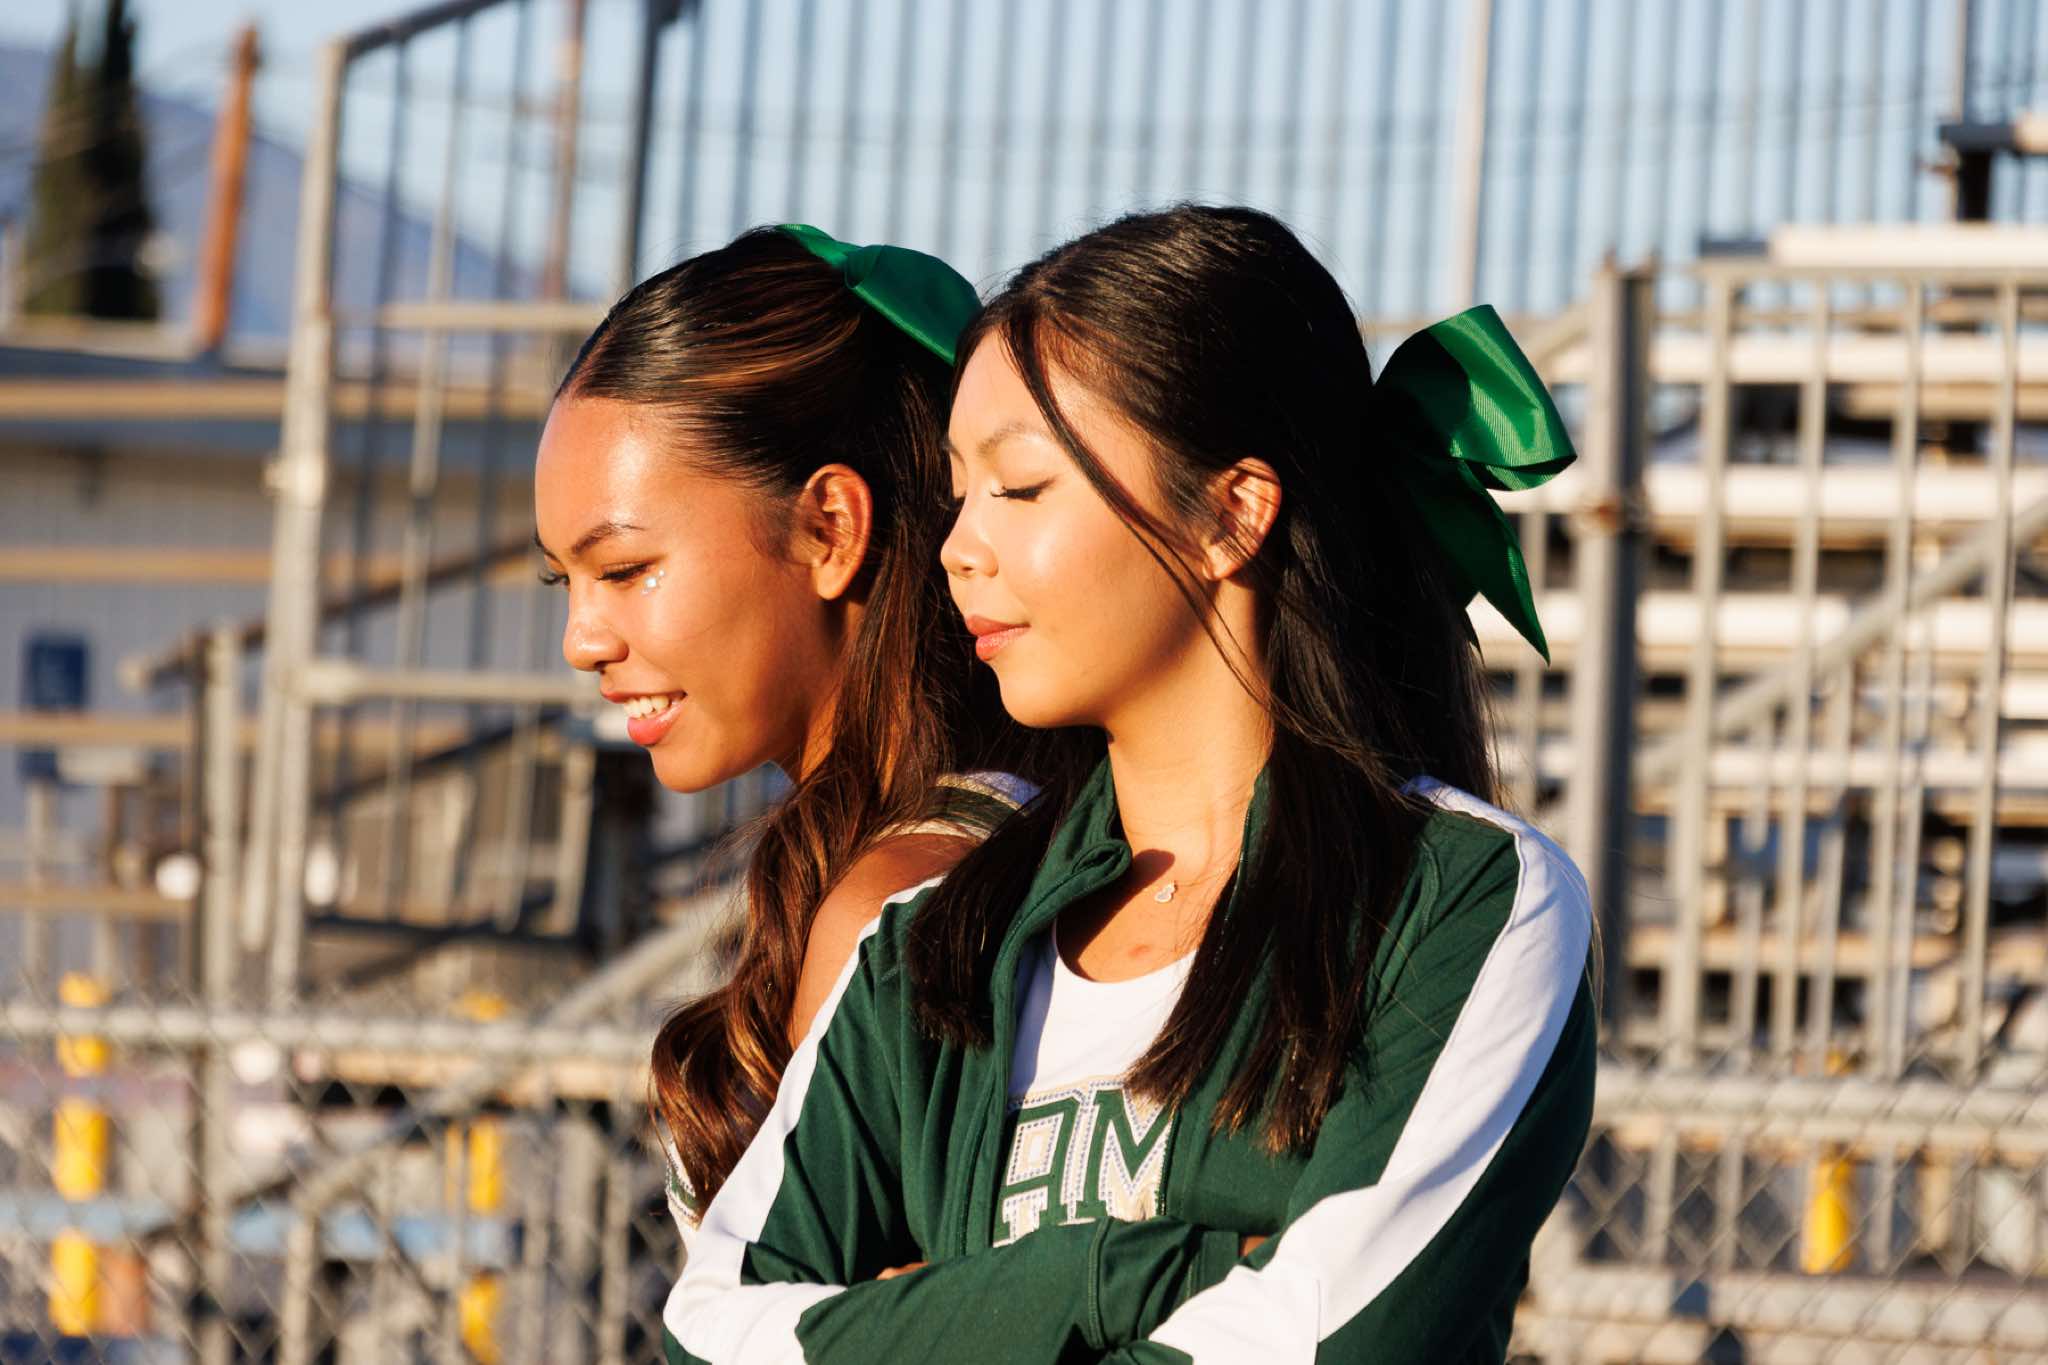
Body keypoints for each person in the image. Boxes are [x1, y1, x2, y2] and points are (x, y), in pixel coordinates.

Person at [661, 204, 1595, 1364]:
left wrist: (933, 1315)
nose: (956, 548)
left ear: (1229, 514)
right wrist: (1114, 1275)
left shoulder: (1467, 902)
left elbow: (1325, 1341)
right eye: (957, 493)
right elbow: (710, 1332)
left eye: (1020, 488)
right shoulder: (922, 944)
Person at [533, 224, 1034, 1236]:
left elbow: (831, 1312)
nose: (582, 640)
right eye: (564, 582)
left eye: (625, 570)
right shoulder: (1002, 822)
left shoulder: (894, 908)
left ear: (828, 529)